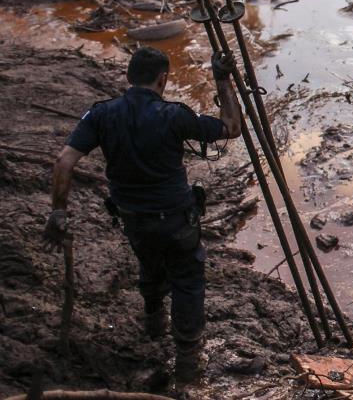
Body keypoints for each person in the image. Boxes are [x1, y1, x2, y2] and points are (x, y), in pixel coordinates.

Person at [41, 47, 242, 382]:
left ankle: (154, 322)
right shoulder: (174, 115)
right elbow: (231, 127)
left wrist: (58, 213)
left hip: (133, 219)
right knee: (187, 280)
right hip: (176, 219)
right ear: (163, 78)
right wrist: (223, 80)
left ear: (128, 77)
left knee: (149, 263)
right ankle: (188, 361)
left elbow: (63, 162)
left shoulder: (102, 114)